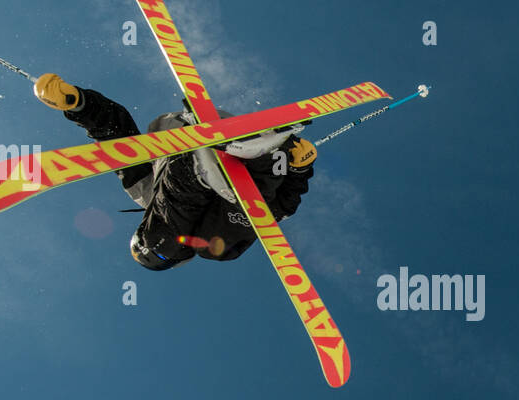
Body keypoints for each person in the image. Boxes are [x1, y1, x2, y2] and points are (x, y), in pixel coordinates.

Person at [33, 73, 316, 270]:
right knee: (217, 248)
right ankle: (263, 146)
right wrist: (300, 169)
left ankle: (203, 163)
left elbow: (117, 137)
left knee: (173, 237)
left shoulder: (143, 190)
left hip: (185, 143)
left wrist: (80, 104)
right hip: (256, 167)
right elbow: (278, 210)